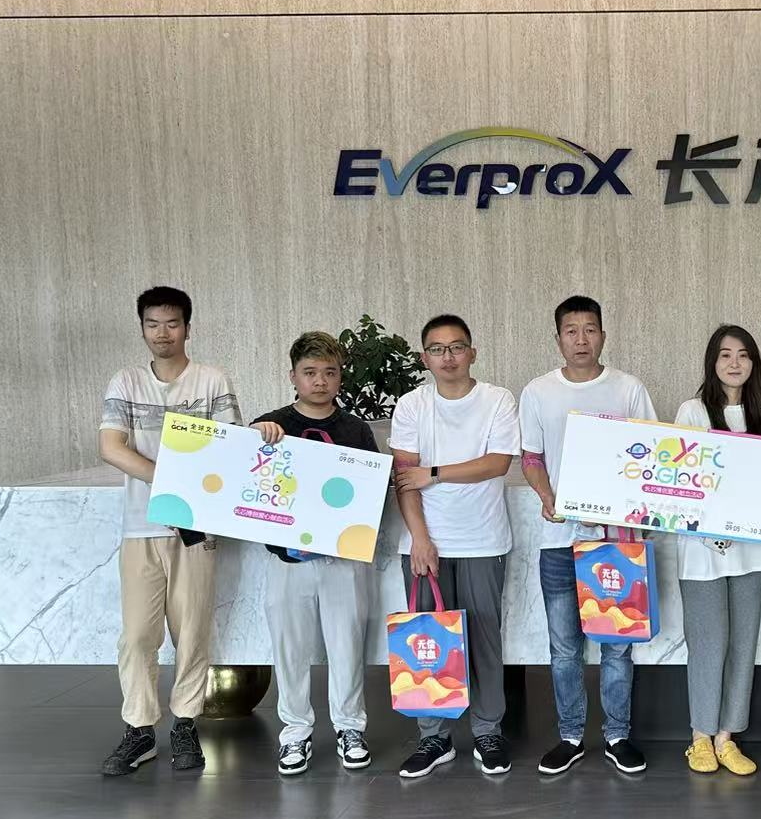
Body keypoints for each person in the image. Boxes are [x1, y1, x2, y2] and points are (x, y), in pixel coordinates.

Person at [97, 286, 241, 776]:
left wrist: (187, 491)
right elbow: (111, 447)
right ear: (142, 328)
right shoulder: (126, 381)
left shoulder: (211, 380)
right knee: (138, 635)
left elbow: (231, 447)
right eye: (153, 324)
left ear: (188, 328)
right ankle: (139, 730)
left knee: (192, 630)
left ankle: (185, 724)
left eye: (172, 323)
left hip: (196, 529)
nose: (163, 333)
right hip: (140, 527)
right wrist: (172, 481)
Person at [520, 296, 656, 776]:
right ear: (558, 338)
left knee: (617, 644)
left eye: (590, 329)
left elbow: (649, 454)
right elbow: (530, 457)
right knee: (564, 646)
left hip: (617, 539)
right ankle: (571, 736)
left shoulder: (628, 389)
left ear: (603, 335)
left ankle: (618, 735)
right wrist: (547, 495)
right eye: (571, 330)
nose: (582, 339)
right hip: (559, 540)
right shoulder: (539, 392)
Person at [390, 314, 521, 779]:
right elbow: (404, 479)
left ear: (472, 352)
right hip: (426, 543)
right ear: (424, 357)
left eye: (456, 347)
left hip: (484, 538)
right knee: (428, 640)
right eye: (437, 349)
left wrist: (435, 472)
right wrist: (420, 539)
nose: (448, 357)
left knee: (483, 637)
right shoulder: (411, 405)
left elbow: (498, 463)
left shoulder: (497, 400)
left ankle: (488, 731)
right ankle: (434, 737)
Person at [251, 331, 379, 777]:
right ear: (293, 376)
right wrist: (253, 438)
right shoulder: (270, 424)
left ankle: (350, 727)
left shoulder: (355, 430)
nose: (320, 381)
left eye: (329, 372)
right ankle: (295, 732)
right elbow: (247, 482)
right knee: (289, 647)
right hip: (286, 560)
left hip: (343, 560)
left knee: (347, 645)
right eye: (310, 372)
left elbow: (371, 494)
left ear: (340, 376)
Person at [673, 325, 761, 778]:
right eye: (725, 355)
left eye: (743, 355)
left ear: (754, 363)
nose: (734, 363)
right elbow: (681, 478)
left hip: (751, 550)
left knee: (742, 643)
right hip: (701, 550)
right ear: (712, 362)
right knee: (708, 643)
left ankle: (726, 737)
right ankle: (700, 736)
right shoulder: (693, 410)